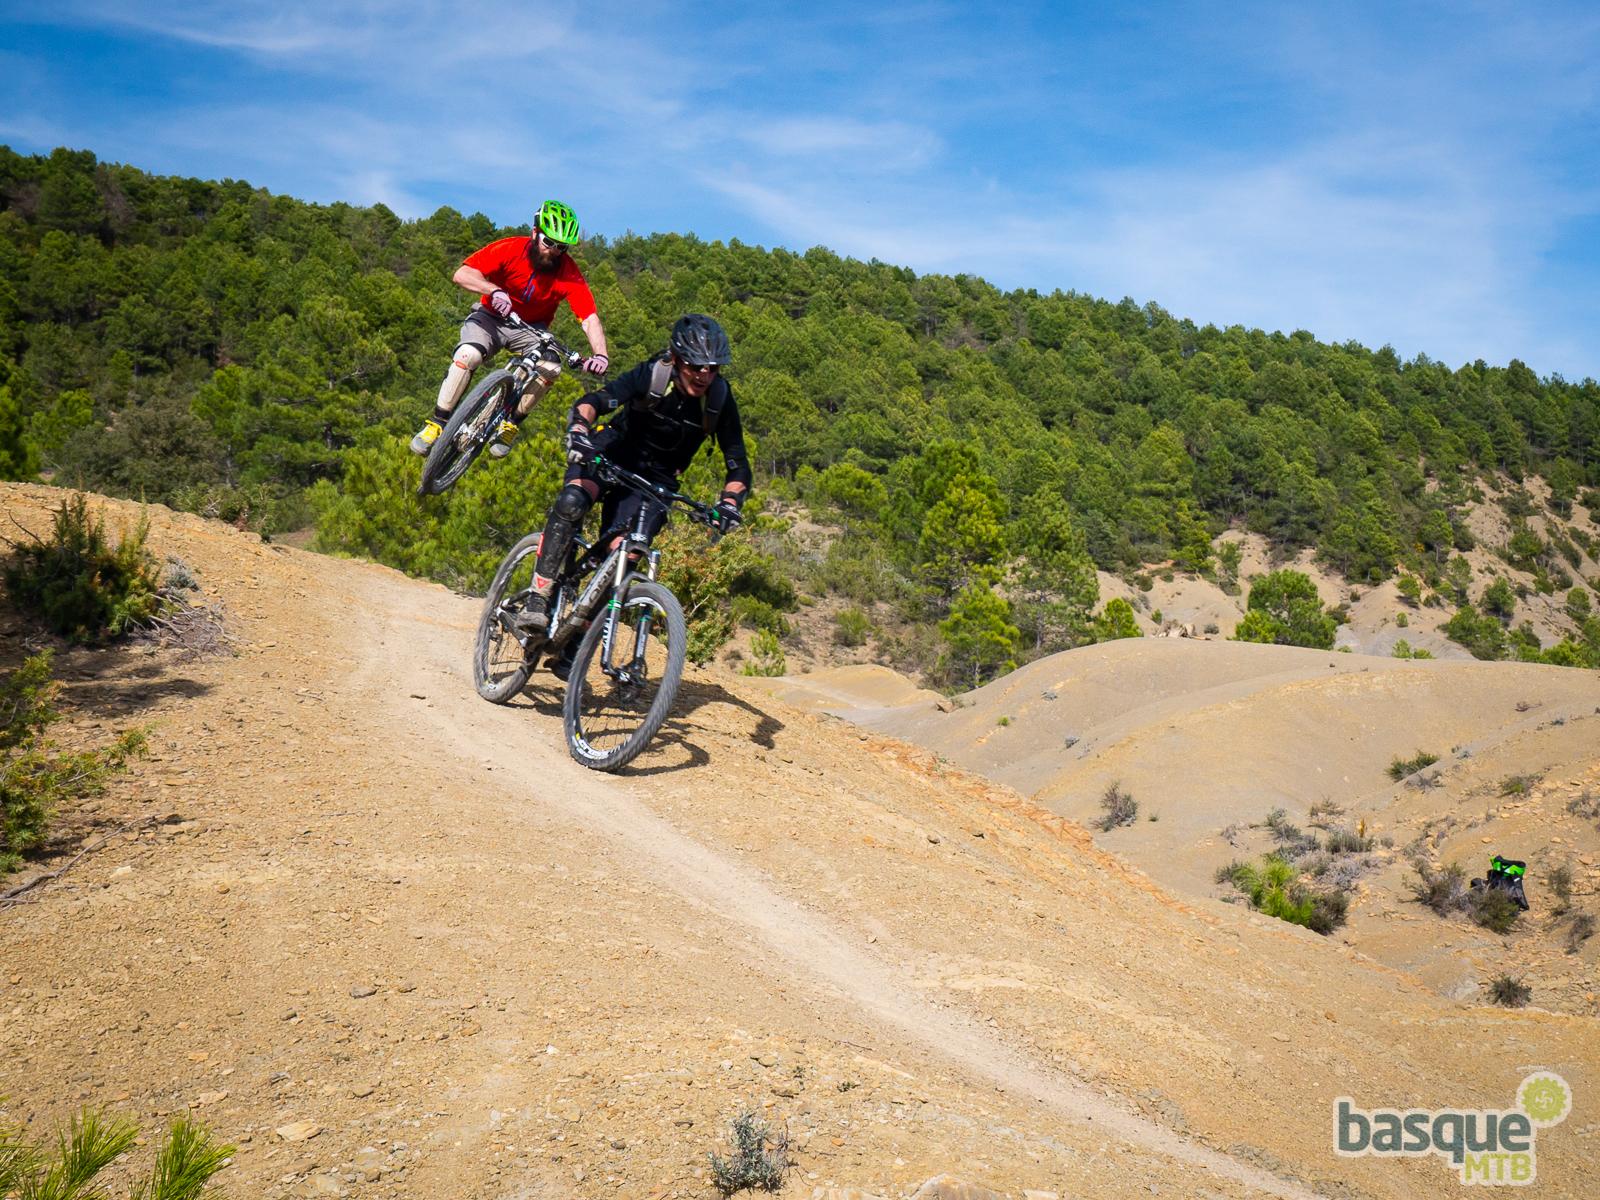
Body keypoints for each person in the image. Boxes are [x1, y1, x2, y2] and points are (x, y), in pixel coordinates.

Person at [513, 313, 750, 638]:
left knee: (630, 552)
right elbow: (594, 402)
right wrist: (579, 430)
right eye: (696, 366)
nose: (705, 375)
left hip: (657, 479)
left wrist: (730, 504)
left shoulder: (720, 400)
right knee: (571, 502)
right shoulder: (653, 374)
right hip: (613, 450)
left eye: (713, 367)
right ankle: (537, 600)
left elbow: (737, 462)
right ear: (678, 359)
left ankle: (578, 638)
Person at [410, 199, 610, 459]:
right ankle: (437, 424)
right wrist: (493, 290)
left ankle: (511, 425)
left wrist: (600, 354)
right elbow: (462, 274)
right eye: (548, 242)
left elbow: (589, 318)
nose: (553, 251)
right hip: (491, 316)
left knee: (551, 368)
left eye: (561, 247)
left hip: (530, 329)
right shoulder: (509, 249)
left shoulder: (568, 272)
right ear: (535, 233)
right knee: (467, 355)